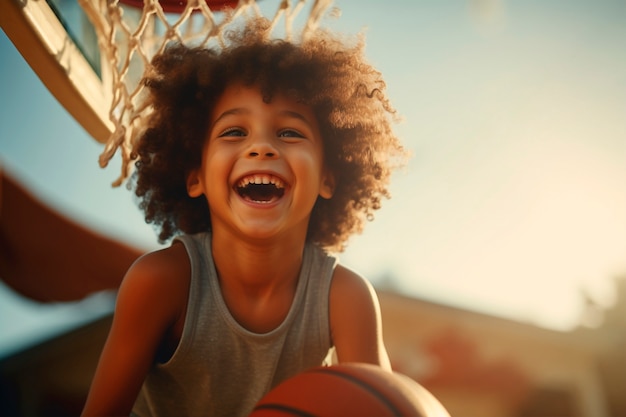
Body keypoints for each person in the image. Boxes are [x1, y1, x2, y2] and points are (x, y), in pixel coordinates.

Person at [81, 15, 406, 417]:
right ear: (195, 175)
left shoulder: (344, 297)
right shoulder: (161, 283)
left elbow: (383, 407)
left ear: (328, 177)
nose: (262, 147)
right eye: (234, 132)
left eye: (289, 132)